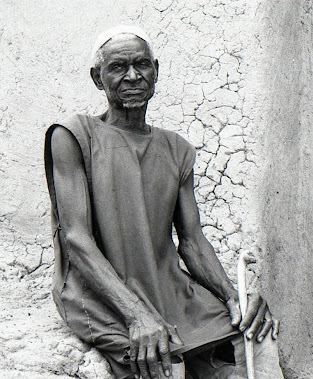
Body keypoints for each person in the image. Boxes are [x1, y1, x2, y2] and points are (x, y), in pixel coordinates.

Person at [44, 26, 283, 379]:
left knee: (257, 341)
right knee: (166, 364)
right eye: (117, 68)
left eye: (142, 65)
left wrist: (234, 297)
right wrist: (136, 314)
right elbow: (76, 238)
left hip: (167, 286)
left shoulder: (176, 149)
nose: (132, 76)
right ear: (98, 78)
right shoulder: (73, 135)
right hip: (99, 294)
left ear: (156, 70)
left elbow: (191, 240)